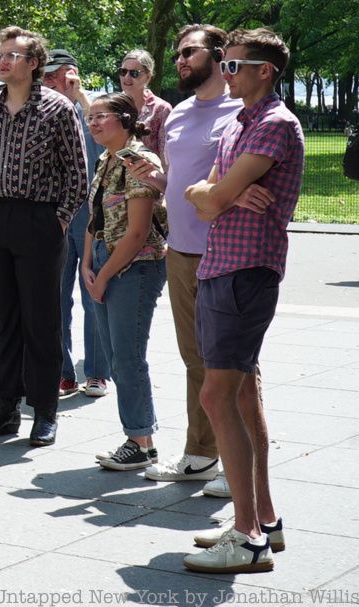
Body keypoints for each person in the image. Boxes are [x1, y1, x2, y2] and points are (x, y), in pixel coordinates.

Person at [181, 28, 303, 574]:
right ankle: (265, 522)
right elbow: (201, 196)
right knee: (243, 397)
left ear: (263, 71)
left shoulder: (275, 125)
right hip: (219, 267)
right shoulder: (238, 124)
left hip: (246, 272)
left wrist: (219, 192)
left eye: (233, 66)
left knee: (216, 397)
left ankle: (248, 538)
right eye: (223, 64)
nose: (223, 73)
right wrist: (217, 191)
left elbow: (215, 195)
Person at [128, 24, 242, 498]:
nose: (180, 60)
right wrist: (154, 177)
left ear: (218, 56)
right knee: (194, 357)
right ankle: (201, 453)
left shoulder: (242, 111)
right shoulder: (176, 117)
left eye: (189, 52)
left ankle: (240, 467)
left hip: (228, 253)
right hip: (181, 251)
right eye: (177, 53)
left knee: (234, 364)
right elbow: (175, 178)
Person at [0, 27, 88, 447]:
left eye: (13, 56)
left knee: (42, 318)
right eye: (1, 55)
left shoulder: (57, 109)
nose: (3, 61)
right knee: (4, 317)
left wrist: (59, 219)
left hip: (39, 221)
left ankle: (45, 411)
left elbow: (77, 172)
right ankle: (4, 407)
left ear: (33, 63)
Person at [80, 93, 169, 471]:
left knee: (128, 359)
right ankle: (141, 441)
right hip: (102, 261)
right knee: (117, 358)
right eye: (90, 118)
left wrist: (102, 276)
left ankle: (138, 439)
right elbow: (94, 217)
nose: (93, 123)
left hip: (134, 266)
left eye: (101, 117)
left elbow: (136, 233)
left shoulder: (140, 162)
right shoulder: (104, 159)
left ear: (125, 120)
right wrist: (87, 262)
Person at [43, 49, 108, 399]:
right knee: (55, 298)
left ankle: (97, 372)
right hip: (54, 219)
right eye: (46, 76)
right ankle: (62, 372)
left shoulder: (93, 111)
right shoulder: (43, 109)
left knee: (92, 294)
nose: (48, 82)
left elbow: (106, 145)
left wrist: (79, 95)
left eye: (54, 75)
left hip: (90, 221)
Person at [117, 49, 174, 157]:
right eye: (123, 72)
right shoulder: (113, 104)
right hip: (115, 171)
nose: (127, 77)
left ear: (148, 77)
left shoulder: (161, 109)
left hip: (148, 171)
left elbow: (166, 154)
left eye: (134, 73)